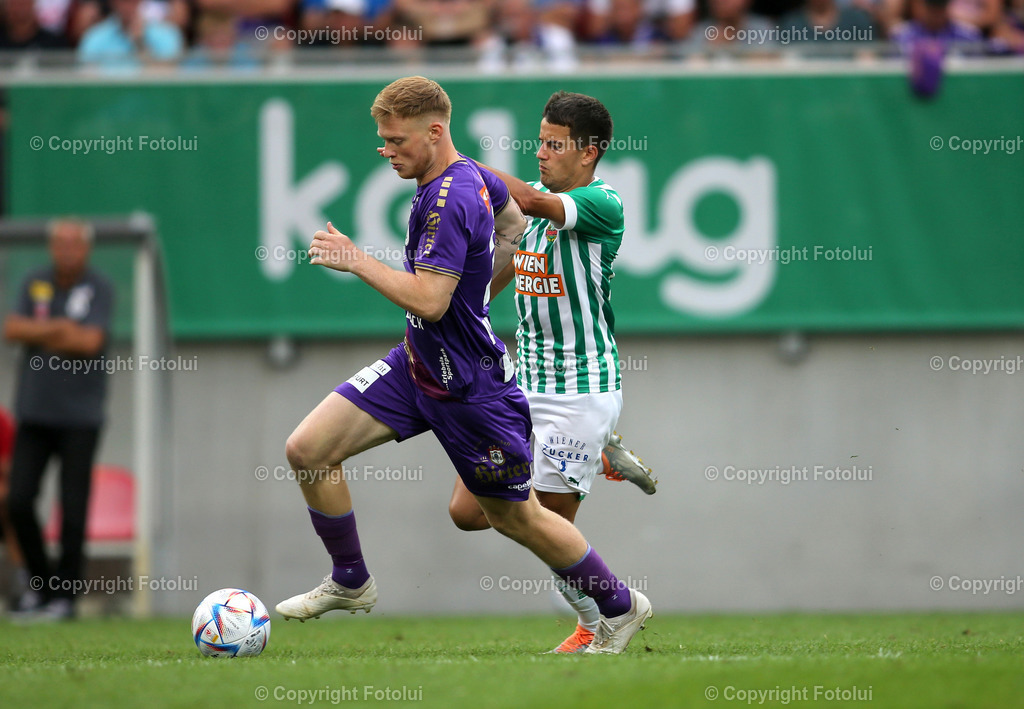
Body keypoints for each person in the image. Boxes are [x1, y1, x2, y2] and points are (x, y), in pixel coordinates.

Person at [275, 75, 652, 654]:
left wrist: (356, 259)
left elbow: (432, 297)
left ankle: (617, 607)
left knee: (519, 518)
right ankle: (351, 579)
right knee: (308, 449)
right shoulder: (460, 184)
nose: (387, 151)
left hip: (494, 385)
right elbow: (513, 225)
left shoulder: (465, 197)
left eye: (396, 140)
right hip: (422, 362)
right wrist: (478, 289)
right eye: (383, 140)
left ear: (434, 132)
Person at [448, 91, 652, 653]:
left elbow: (533, 203)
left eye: (554, 145)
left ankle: (597, 621)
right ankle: (603, 450)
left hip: (579, 394)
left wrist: (456, 161)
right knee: (468, 512)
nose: (541, 153)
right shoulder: (534, 223)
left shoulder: (600, 204)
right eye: (539, 142)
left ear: (589, 153)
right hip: (521, 387)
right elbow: (502, 270)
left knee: (542, 525)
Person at [3, 219, 115, 622]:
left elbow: (89, 342)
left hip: (80, 418)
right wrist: (61, 328)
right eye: (60, 243)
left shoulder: (99, 287)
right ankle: (41, 586)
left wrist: (45, 333)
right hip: (33, 413)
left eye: (74, 243)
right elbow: (13, 328)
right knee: (16, 500)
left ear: (86, 249)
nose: (67, 250)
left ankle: (65, 597)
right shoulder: (35, 282)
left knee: (73, 508)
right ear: (51, 247)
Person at [77, 0, 184, 69]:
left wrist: (140, 43)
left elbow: (168, 80)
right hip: (109, 103)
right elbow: (88, 82)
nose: (127, 4)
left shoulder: (167, 34)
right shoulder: (94, 37)